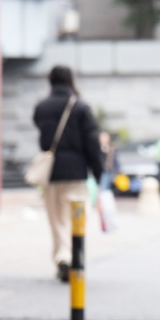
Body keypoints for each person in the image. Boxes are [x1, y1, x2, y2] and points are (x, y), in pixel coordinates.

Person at [32, 65, 104, 282]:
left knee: (56, 218)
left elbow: (41, 133)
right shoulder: (80, 107)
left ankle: (62, 257)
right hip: (76, 172)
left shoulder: (42, 107)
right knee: (76, 217)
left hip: (51, 172)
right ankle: (72, 256)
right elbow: (92, 141)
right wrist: (98, 172)